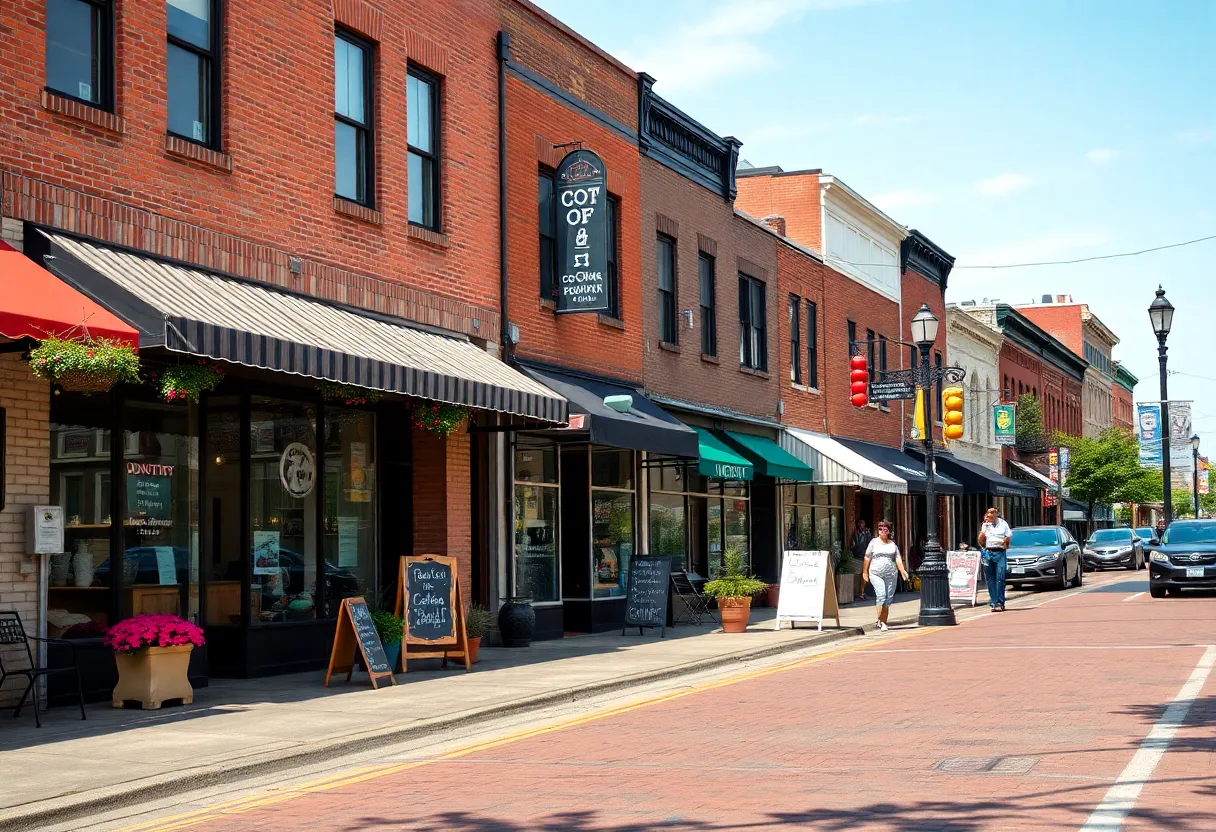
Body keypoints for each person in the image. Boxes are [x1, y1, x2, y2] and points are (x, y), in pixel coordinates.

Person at [862, 519, 908, 631]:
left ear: (889, 531)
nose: (882, 530)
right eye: (880, 528)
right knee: (881, 594)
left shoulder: (892, 545)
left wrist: (902, 571)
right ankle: (882, 622)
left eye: (885, 528)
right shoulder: (873, 542)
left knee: (888, 599)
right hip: (876, 574)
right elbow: (867, 557)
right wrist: (865, 572)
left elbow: (897, 558)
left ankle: (882, 621)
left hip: (891, 575)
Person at [978, 507, 1012, 612]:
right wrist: (984, 531)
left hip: (1000, 552)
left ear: (996, 514)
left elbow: (1008, 538)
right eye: (989, 513)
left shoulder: (1003, 524)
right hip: (988, 553)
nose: (990, 515)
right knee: (990, 579)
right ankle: (994, 602)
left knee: (1000, 577)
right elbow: (980, 541)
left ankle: (1001, 602)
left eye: (993, 513)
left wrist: (1003, 541)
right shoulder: (985, 525)